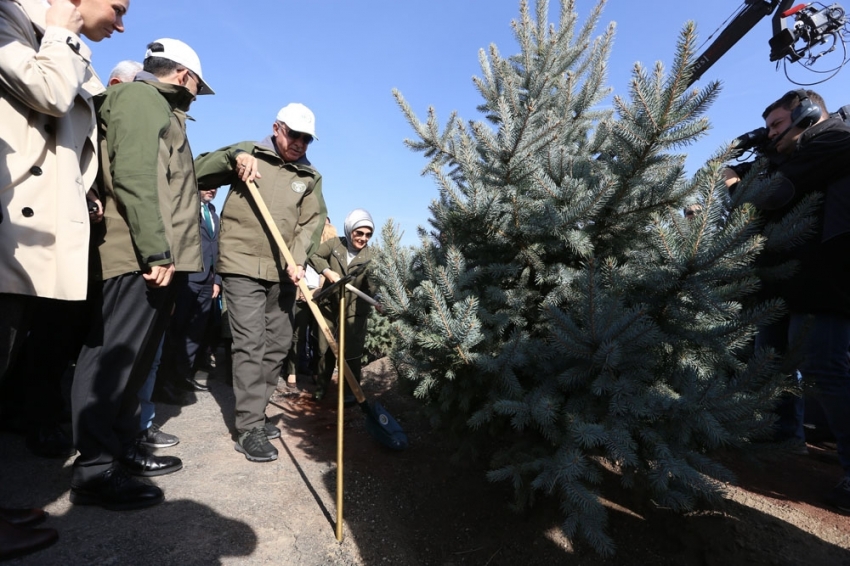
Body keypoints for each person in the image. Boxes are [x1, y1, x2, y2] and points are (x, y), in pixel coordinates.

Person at [0, 0, 128, 557]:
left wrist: (87, 194)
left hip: (40, 235)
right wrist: (58, 33)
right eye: (118, 6)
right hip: (13, 226)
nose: (122, 22)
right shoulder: (14, 21)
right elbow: (48, 95)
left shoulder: (69, 44)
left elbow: (69, 147)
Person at [70, 38, 214, 510]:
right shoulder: (139, 98)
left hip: (154, 258)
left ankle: (122, 448)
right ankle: (94, 471)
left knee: (133, 363)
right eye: (197, 87)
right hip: (137, 256)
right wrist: (155, 250)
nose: (195, 97)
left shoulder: (158, 107)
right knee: (113, 359)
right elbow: (133, 175)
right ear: (184, 77)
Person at [727, 89, 850, 511]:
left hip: (826, 279)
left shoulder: (837, 139)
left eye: (777, 125)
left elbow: (776, 194)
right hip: (783, 279)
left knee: (824, 370)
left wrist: (734, 184)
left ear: (808, 114)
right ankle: (784, 436)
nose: (771, 135)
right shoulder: (793, 153)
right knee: (770, 360)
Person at [195, 103, 327, 462]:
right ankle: (248, 426)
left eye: (306, 139)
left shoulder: (309, 177)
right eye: (293, 134)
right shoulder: (248, 155)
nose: (299, 143)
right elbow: (197, 171)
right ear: (276, 128)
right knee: (250, 343)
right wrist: (232, 157)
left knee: (278, 344)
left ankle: (254, 410)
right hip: (241, 265)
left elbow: (312, 223)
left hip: (283, 272)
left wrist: (297, 259)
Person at [309, 209, 383, 404]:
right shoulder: (335, 244)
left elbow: (376, 283)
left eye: (368, 234)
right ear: (350, 230)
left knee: (351, 351)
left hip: (354, 311)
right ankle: (321, 388)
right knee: (326, 349)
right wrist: (327, 271)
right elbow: (314, 255)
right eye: (359, 232)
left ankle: (350, 392)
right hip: (329, 306)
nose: (363, 238)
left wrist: (380, 299)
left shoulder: (371, 256)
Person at [156, 185, 222, 404]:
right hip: (186, 279)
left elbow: (217, 248)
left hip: (208, 282)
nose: (213, 190)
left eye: (217, 187)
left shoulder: (213, 213)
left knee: (195, 333)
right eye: (208, 186)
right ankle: (164, 383)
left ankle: (183, 377)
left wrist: (217, 281)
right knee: (175, 332)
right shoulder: (186, 210)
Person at [284, 218, 337, 388]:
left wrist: (318, 293)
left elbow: (328, 278)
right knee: (298, 335)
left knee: (317, 336)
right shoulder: (306, 249)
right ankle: (292, 371)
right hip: (302, 296)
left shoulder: (329, 255)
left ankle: (315, 370)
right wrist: (303, 292)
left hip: (320, 298)